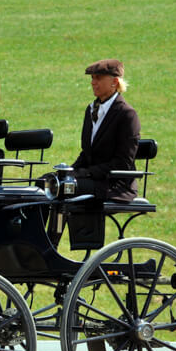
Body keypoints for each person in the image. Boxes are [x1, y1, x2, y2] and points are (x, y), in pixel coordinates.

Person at [66, 58, 141, 247]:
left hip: (115, 184)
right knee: (48, 182)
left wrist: (86, 173)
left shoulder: (126, 115)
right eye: (92, 78)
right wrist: (70, 171)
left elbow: (122, 164)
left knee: (66, 188)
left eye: (98, 78)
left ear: (114, 82)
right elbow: (87, 153)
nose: (93, 82)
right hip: (94, 179)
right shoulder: (91, 110)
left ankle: (56, 247)